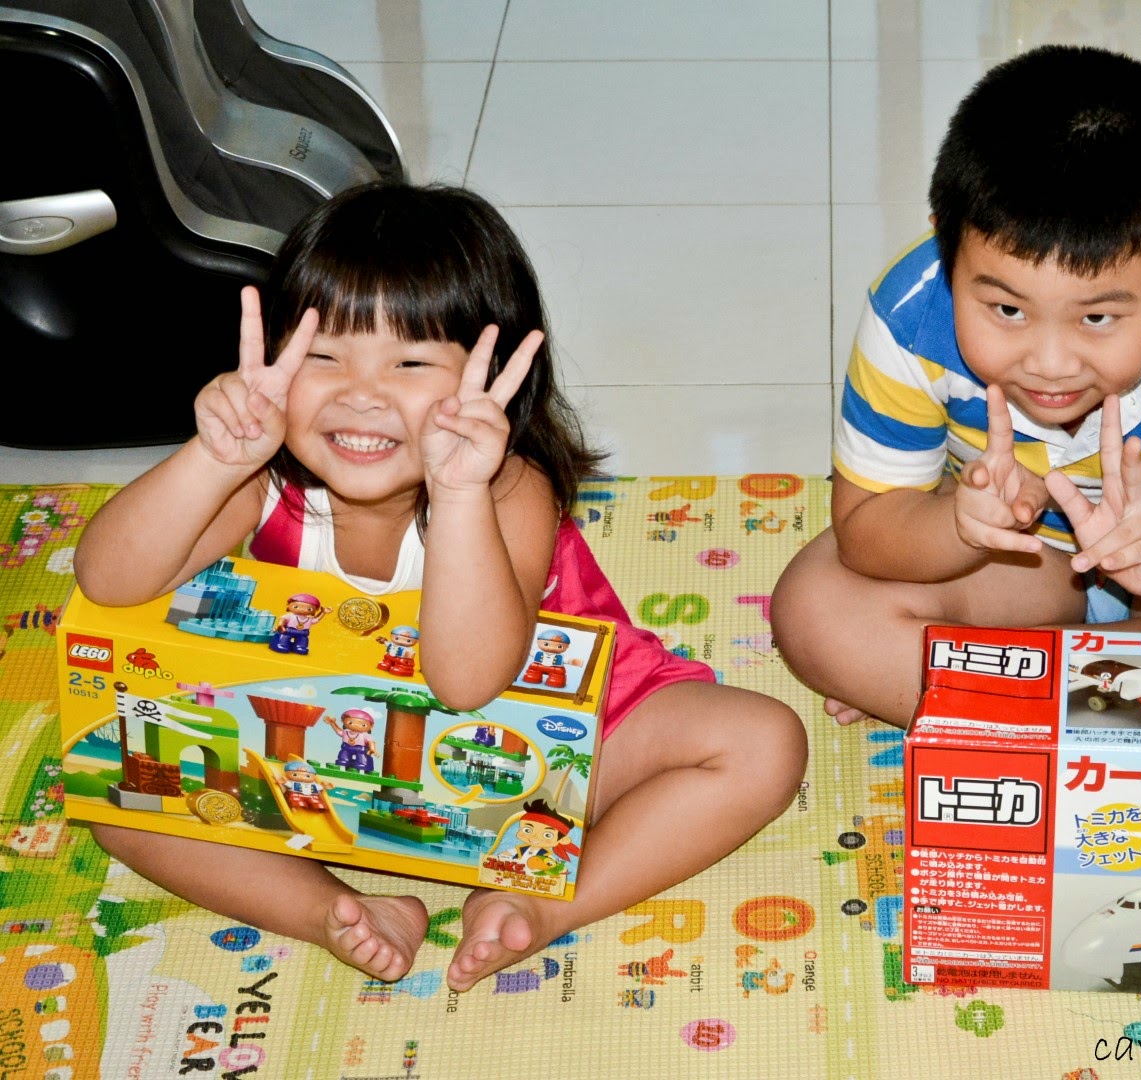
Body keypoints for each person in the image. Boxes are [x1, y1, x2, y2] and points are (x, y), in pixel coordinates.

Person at [74, 182, 807, 992]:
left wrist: (457, 494)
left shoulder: (506, 488)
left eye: (410, 363)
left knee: (762, 744)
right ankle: (335, 910)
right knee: (118, 790)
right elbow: (109, 580)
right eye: (322, 357)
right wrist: (214, 456)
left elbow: (467, 683)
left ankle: (542, 906)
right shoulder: (261, 481)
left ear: (490, 379)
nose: (361, 394)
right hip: (332, 762)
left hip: (547, 748)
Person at [770, 45, 1141, 728]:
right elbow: (866, 529)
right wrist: (959, 527)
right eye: (1007, 310)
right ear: (946, 254)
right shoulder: (909, 315)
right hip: (1015, 566)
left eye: (1097, 318)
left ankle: (986, 685)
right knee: (816, 610)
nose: (1051, 363)